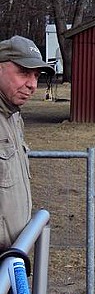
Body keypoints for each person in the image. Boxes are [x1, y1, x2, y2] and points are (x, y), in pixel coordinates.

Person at [0, 35, 55, 252]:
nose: (32, 85)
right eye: (23, 73)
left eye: (36, 76)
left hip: (12, 259)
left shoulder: (13, 116)